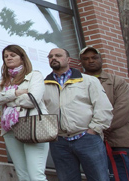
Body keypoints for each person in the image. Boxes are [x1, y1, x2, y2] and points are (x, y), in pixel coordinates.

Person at [43, 47, 113, 181]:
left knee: (99, 178)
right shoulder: (44, 85)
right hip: (60, 141)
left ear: (68, 60)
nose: (53, 58)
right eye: (50, 56)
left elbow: (103, 107)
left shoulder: (88, 81)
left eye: (58, 55)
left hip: (87, 138)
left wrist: (93, 130)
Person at [0, 45, 48, 181]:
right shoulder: (4, 81)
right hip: (10, 130)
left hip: (32, 126)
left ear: (22, 58)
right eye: (6, 56)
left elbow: (32, 100)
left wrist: (7, 99)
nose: (8, 58)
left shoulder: (34, 75)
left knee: (36, 175)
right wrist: (15, 93)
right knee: (23, 176)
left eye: (12, 55)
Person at [79, 46, 129, 181]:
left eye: (94, 57)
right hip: (90, 143)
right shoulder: (78, 83)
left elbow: (124, 110)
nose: (90, 61)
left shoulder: (117, 82)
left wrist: (98, 128)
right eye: (86, 59)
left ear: (101, 59)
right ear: (80, 62)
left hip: (118, 141)